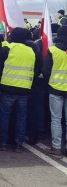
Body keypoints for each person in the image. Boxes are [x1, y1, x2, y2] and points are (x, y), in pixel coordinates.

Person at [0, 27, 42, 152]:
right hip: (25, 89)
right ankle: (18, 144)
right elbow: (37, 70)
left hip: (7, 88)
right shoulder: (31, 51)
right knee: (21, 117)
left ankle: (3, 143)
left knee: (5, 116)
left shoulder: (7, 49)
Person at [42, 26, 67, 157]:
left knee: (56, 119)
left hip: (55, 88)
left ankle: (56, 147)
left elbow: (45, 71)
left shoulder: (52, 50)